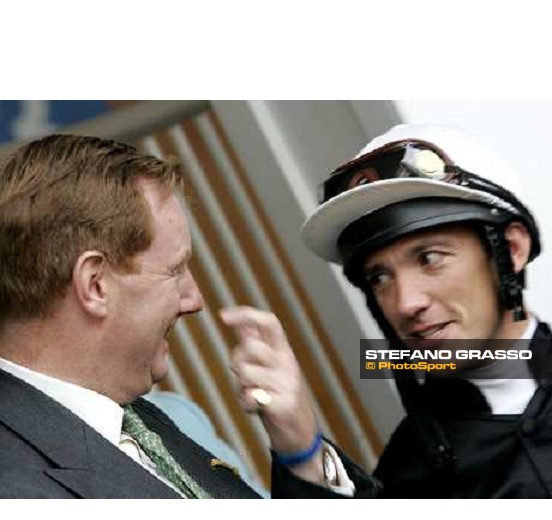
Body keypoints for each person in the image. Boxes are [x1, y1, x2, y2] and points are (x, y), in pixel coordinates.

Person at [223, 123, 552, 499]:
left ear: (512, 250)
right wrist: (301, 454)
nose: (406, 303)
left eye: (430, 258)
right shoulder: (406, 472)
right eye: (379, 277)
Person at [0, 133, 379, 499]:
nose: (194, 299)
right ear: (95, 284)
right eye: (175, 270)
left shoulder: (141, 420)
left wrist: (303, 454)